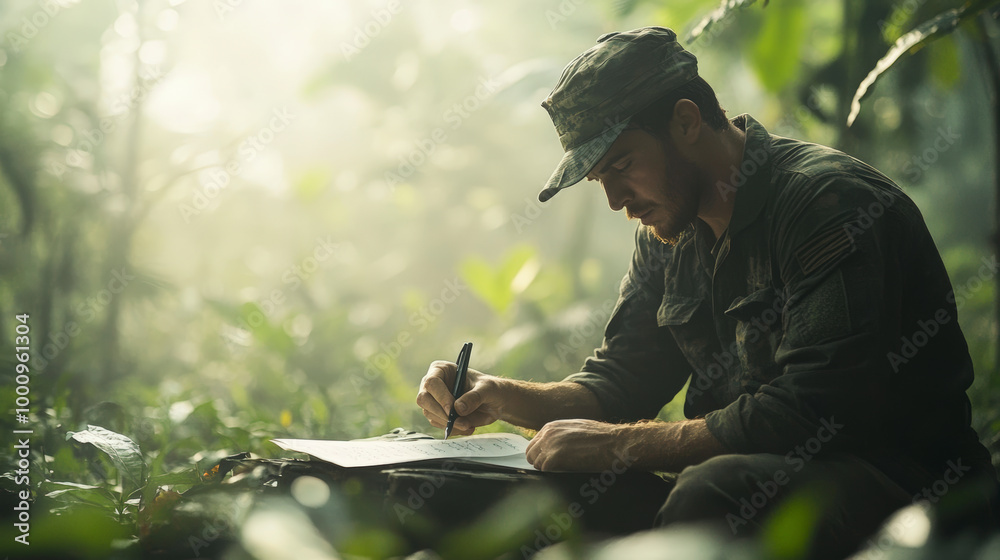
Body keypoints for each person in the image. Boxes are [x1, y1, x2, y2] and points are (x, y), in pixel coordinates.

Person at [415, 26, 999, 555]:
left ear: (687, 121)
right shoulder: (669, 231)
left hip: (904, 490)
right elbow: (620, 383)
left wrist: (615, 448)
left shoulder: (828, 205)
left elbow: (811, 415)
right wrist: (496, 394)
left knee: (712, 492)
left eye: (622, 165)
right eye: (600, 181)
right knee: (515, 493)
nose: (616, 200)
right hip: (744, 485)